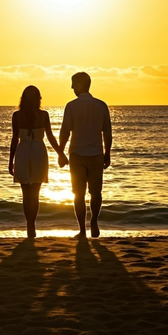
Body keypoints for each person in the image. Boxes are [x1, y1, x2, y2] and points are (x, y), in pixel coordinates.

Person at [9, 86, 69, 238]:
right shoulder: (43, 115)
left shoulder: (17, 116)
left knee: (26, 194)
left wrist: (11, 161)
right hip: (38, 152)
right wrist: (61, 153)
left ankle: (29, 225)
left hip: (22, 152)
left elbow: (15, 140)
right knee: (35, 193)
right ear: (38, 99)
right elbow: (50, 137)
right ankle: (32, 226)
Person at [59, 72, 112, 238]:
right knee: (96, 193)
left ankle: (82, 229)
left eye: (73, 84)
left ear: (80, 85)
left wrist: (61, 152)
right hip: (96, 154)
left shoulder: (71, 106)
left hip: (77, 155)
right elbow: (107, 133)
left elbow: (65, 131)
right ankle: (94, 223)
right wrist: (107, 153)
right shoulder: (101, 106)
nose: (71, 88)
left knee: (78, 194)